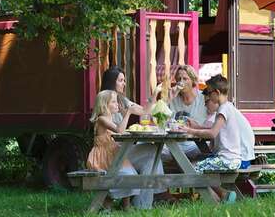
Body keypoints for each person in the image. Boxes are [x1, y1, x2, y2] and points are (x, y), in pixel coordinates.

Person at [99, 66, 174, 207]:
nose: (124, 83)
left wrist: (155, 94)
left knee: (152, 152)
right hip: (111, 154)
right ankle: (154, 196)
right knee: (151, 153)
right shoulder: (104, 100)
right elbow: (114, 131)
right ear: (112, 82)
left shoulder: (122, 99)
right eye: (121, 80)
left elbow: (146, 110)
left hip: (122, 150)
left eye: (124, 80)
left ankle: (142, 205)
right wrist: (128, 113)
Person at [179, 74, 241, 203]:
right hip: (230, 157)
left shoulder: (223, 110)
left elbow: (212, 133)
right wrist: (198, 127)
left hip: (227, 159)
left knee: (192, 169)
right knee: (194, 164)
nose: (207, 96)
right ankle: (222, 195)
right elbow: (215, 130)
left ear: (216, 92)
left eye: (208, 92)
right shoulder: (227, 107)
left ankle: (216, 199)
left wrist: (191, 131)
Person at [86, 90, 139, 210]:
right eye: (114, 102)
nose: (117, 104)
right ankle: (108, 202)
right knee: (124, 175)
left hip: (113, 153)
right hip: (103, 157)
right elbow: (120, 131)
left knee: (131, 174)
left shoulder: (110, 119)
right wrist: (128, 113)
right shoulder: (102, 119)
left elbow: (119, 132)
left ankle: (125, 205)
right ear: (105, 105)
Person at [197, 89, 256, 170]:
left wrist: (191, 129)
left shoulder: (222, 111)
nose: (205, 105)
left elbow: (211, 131)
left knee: (196, 166)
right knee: (200, 159)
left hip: (239, 159)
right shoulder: (227, 108)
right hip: (241, 157)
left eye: (207, 101)